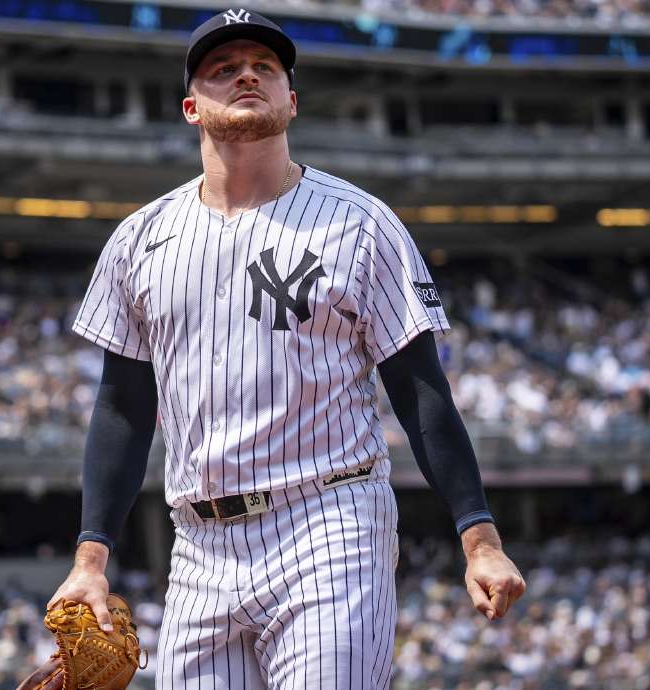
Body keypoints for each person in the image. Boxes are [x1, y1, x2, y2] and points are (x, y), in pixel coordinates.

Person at [48, 9, 525, 687]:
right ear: (192, 107)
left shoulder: (360, 224)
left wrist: (480, 540)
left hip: (328, 521)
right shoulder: (139, 240)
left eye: (264, 67)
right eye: (223, 68)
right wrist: (90, 559)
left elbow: (421, 392)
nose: (247, 74)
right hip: (199, 545)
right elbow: (122, 409)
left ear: (290, 101)